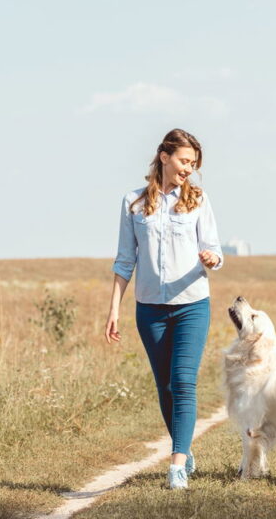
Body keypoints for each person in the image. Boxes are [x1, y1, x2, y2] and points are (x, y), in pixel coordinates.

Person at [105, 128, 224, 490]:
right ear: (164, 156)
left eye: (193, 164)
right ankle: (184, 451)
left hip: (192, 306)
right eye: (185, 161)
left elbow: (216, 251)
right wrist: (114, 310)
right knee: (165, 387)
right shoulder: (133, 203)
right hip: (150, 311)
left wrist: (211, 257)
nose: (189, 169)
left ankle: (175, 467)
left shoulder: (198, 200)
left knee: (183, 382)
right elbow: (125, 261)